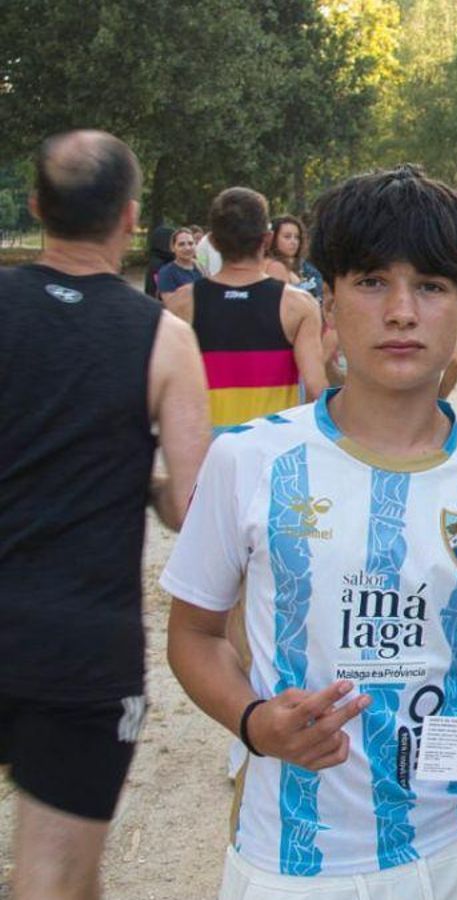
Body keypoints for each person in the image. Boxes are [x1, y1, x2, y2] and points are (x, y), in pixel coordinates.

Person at [161, 164, 457, 900]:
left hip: (452, 859)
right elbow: (195, 633)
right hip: (289, 865)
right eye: (372, 281)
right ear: (328, 302)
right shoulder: (248, 460)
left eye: (431, 286)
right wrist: (252, 721)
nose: (401, 311)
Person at [1, 129, 210, 900]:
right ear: (130, 217)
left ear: (34, 208)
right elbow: (193, 505)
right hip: (78, 641)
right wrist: (145, 485)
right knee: (53, 877)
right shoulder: (162, 337)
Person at [165, 187, 327, 431]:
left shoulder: (182, 303)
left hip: (210, 452)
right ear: (267, 239)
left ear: (214, 241)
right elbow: (316, 388)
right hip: (273, 450)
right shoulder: (298, 305)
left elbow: (170, 389)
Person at [264, 215, 324, 302]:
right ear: (273, 238)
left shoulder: (304, 266)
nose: (293, 242)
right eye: (287, 237)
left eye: (297, 237)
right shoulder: (273, 267)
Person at [157, 226, 204, 305]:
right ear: (173, 247)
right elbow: (171, 304)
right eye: (181, 244)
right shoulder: (166, 273)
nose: (187, 248)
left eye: (191, 243)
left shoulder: (201, 268)